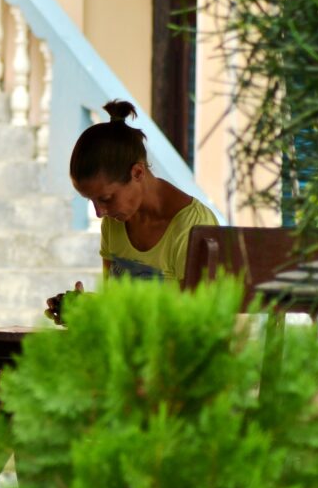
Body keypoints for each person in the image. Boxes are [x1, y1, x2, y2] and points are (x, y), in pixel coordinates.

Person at [45, 100, 218, 323]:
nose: (99, 213)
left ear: (137, 173)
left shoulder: (193, 227)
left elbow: (198, 327)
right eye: (91, 201)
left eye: (106, 198)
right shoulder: (114, 222)